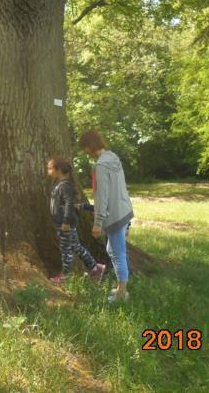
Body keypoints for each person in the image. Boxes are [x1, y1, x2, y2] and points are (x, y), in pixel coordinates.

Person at [79, 130, 134, 303]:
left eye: (85, 148)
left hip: (115, 216)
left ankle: (122, 293)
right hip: (125, 210)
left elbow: (101, 196)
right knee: (115, 250)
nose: (86, 152)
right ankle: (120, 287)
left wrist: (98, 222)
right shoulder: (113, 157)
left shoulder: (101, 166)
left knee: (117, 254)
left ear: (89, 147)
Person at [47, 158, 105, 283]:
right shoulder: (61, 185)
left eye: (50, 169)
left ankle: (65, 275)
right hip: (64, 223)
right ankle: (96, 268)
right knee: (76, 246)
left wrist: (66, 222)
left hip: (66, 224)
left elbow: (69, 204)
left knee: (66, 250)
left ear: (58, 171)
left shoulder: (64, 186)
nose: (48, 172)